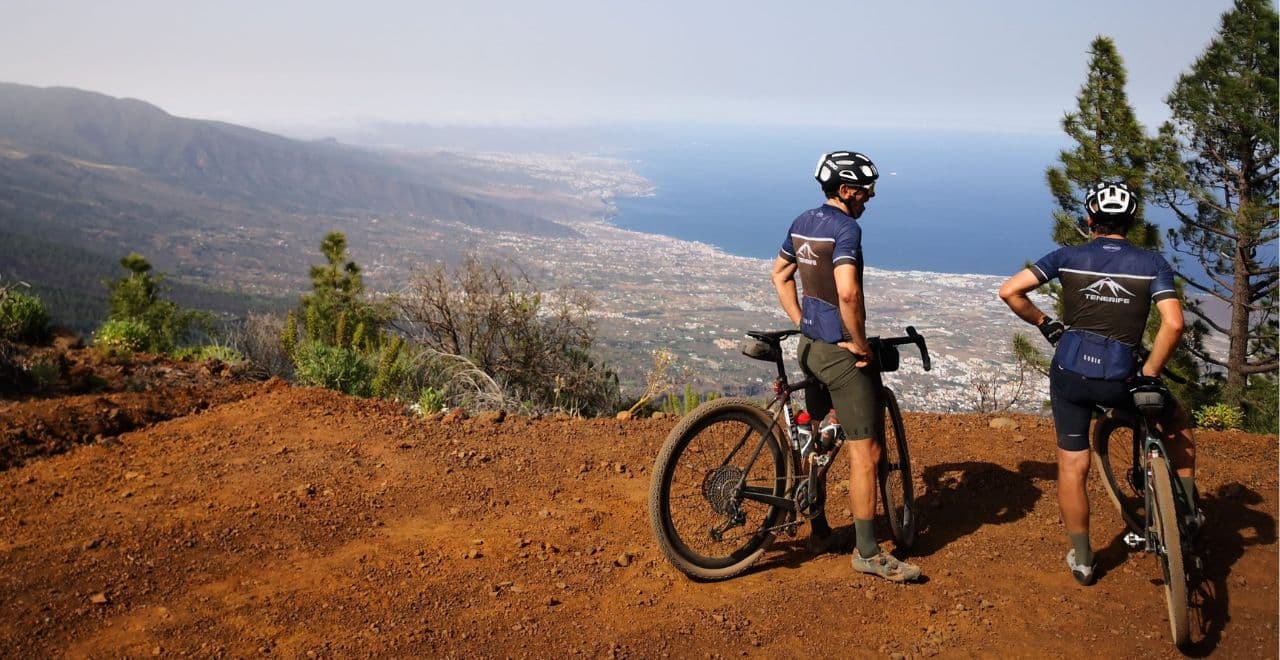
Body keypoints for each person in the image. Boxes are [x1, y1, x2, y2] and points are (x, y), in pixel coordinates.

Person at [998, 181, 1198, 586]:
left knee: (1073, 464)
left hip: (1070, 373)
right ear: (1131, 222)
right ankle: (1188, 514)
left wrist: (1046, 324)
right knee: (1176, 422)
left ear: (1090, 220)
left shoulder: (1067, 256)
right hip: (1122, 376)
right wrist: (1150, 373)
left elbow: (1010, 291)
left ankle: (1085, 559)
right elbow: (1174, 324)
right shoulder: (1151, 263)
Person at [770, 150, 923, 583]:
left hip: (810, 348)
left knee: (817, 438)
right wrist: (860, 346)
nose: (869, 197)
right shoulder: (845, 229)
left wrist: (802, 321)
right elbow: (849, 295)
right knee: (866, 452)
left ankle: (818, 530)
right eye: (865, 190)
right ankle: (869, 552)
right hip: (838, 354)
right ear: (846, 191)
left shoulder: (803, 222)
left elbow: (780, 275)